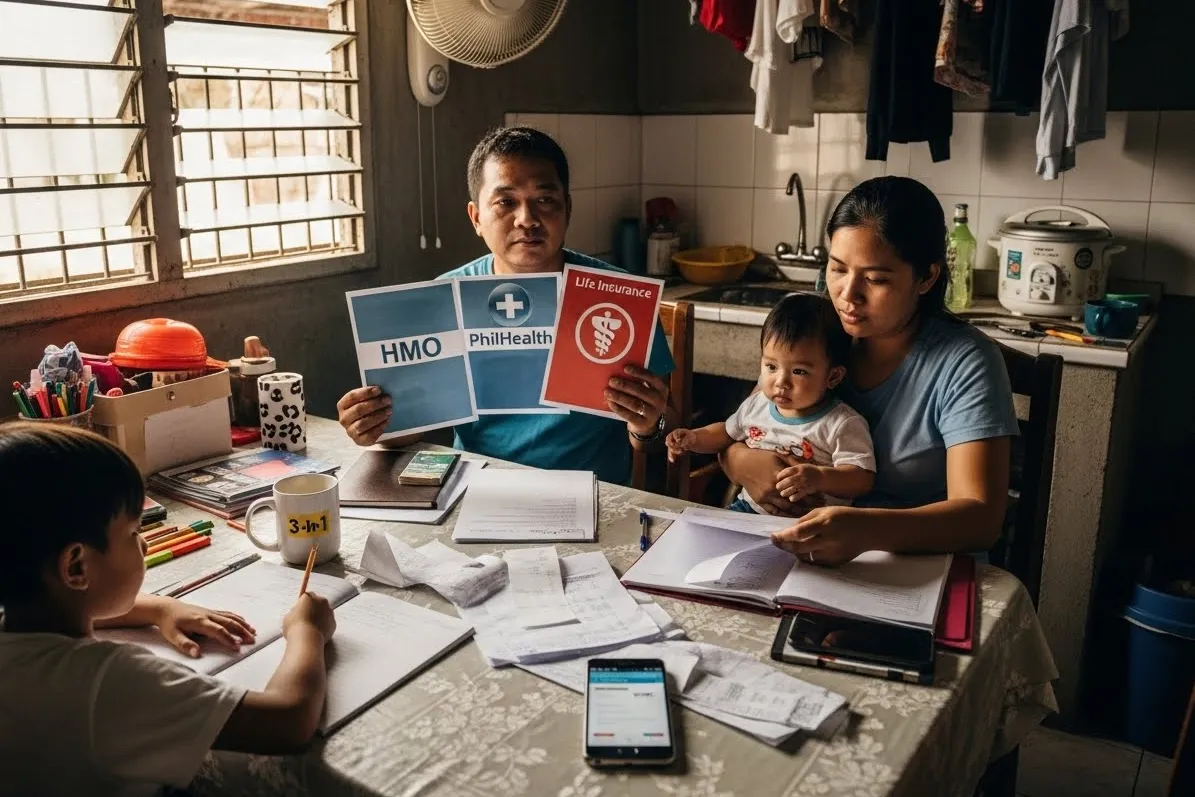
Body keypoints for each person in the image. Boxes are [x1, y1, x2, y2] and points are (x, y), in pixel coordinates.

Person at [0, 423, 336, 796]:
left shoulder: (19, 617)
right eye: (132, 533)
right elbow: (287, 720)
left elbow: (60, 602)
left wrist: (159, 608)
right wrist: (308, 632)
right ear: (76, 567)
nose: (143, 545)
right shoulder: (108, 682)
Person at [336, 126, 675, 485]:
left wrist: (648, 425)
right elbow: (405, 432)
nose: (527, 218)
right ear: (476, 217)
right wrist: (375, 424)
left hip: (592, 496)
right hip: (478, 491)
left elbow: (666, 434)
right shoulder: (443, 299)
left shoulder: (619, 298)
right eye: (505, 201)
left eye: (544, 200)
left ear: (568, 209)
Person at [719, 176, 1019, 565]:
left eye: (875, 279)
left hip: (914, 570)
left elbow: (980, 518)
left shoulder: (964, 363)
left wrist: (863, 530)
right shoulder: (817, 333)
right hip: (799, 556)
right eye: (838, 269)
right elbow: (742, 426)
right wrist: (742, 462)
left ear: (926, 277)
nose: (848, 294)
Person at [665, 292, 875, 513]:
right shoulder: (757, 404)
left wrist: (820, 477)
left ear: (833, 377)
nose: (781, 382)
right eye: (771, 367)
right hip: (749, 509)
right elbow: (725, 434)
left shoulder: (842, 424)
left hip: (813, 523)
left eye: (799, 371)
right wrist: (694, 438)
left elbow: (862, 478)